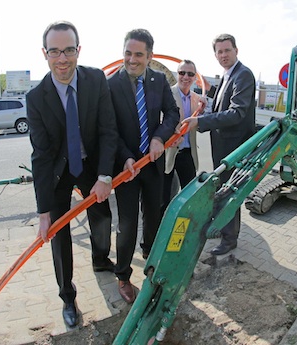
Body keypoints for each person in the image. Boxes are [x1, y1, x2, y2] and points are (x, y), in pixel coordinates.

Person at [26, 21, 118, 328]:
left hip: (90, 164)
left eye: (68, 50)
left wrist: (104, 176)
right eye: (55, 51)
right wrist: (43, 213)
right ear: (45, 53)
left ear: (78, 50)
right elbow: (40, 156)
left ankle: (101, 259)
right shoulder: (36, 98)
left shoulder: (95, 80)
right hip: (57, 171)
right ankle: (67, 296)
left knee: (102, 217)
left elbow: (107, 130)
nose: (62, 58)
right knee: (58, 232)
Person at [107, 28, 180, 304]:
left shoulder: (159, 81)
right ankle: (123, 276)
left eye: (138, 54)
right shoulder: (111, 85)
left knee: (153, 215)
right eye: (128, 53)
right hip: (125, 167)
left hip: (152, 164)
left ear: (149, 56)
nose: (132, 59)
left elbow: (172, 113)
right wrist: (126, 157)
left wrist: (159, 138)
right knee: (127, 223)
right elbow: (109, 129)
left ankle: (150, 259)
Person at [183, 33, 256, 256]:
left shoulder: (243, 75)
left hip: (234, 147)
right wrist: (208, 104)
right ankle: (225, 231)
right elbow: (223, 105)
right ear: (215, 55)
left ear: (236, 50)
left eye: (227, 50)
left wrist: (201, 121)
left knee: (229, 191)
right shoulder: (227, 75)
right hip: (223, 145)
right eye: (219, 52)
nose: (223, 55)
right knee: (223, 188)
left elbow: (236, 112)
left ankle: (229, 239)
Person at [162, 59, 206, 214]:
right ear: (177, 74)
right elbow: (158, 122)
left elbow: (199, 124)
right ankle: (161, 229)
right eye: (182, 73)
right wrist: (168, 138)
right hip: (168, 152)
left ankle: (186, 226)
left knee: (189, 194)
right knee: (164, 196)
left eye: (190, 74)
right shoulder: (166, 94)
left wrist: (202, 114)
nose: (185, 77)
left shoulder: (197, 99)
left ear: (195, 77)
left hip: (188, 152)